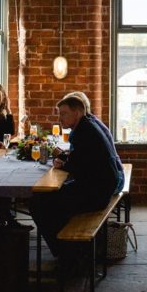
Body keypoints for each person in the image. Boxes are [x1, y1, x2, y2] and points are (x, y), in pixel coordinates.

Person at [30, 93, 124, 257]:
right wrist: (66, 161)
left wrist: (65, 163)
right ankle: (69, 249)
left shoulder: (84, 132)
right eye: (60, 114)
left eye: (64, 114)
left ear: (78, 112)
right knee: (48, 200)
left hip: (97, 194)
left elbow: (79, 166)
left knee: (38, 204)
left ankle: (65, 253)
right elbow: (83, 161)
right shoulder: (87, 125)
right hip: (100, 187)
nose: (60, 119)